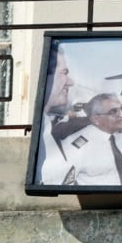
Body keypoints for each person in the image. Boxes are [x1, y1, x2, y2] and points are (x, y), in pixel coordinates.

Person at [58, 93, 122, 186]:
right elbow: (64, 185)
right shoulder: (75, 147)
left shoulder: (121, 137)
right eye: (114, 111)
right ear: (96, 119)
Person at [37, 50, 85, 185]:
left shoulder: (46, 126)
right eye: (64, 73)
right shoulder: (43, 131)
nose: (70, 82)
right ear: (47, 77)